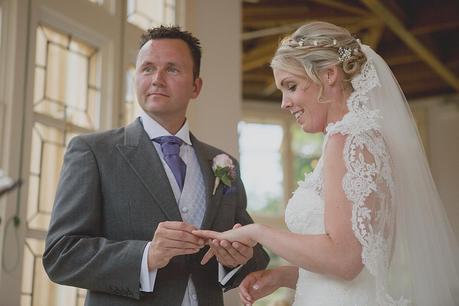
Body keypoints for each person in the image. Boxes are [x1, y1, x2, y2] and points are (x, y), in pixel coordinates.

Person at [194, 21, 459, 305]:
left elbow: (345, 260)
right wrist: (285, 276)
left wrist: (259, 231)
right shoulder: (367, 137)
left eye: (291, 86)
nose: (284, 103)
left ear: (330, 74)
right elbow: (363, 260)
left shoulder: (345, 140)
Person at [43, 25, 269, 306]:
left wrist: (239, 258)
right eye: (147, 68)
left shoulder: (223, 164)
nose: (157, 79)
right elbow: (61, 255)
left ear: (196, 86)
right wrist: (146, 256)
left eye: (172, 69)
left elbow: (256, 255)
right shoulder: (93, 152)